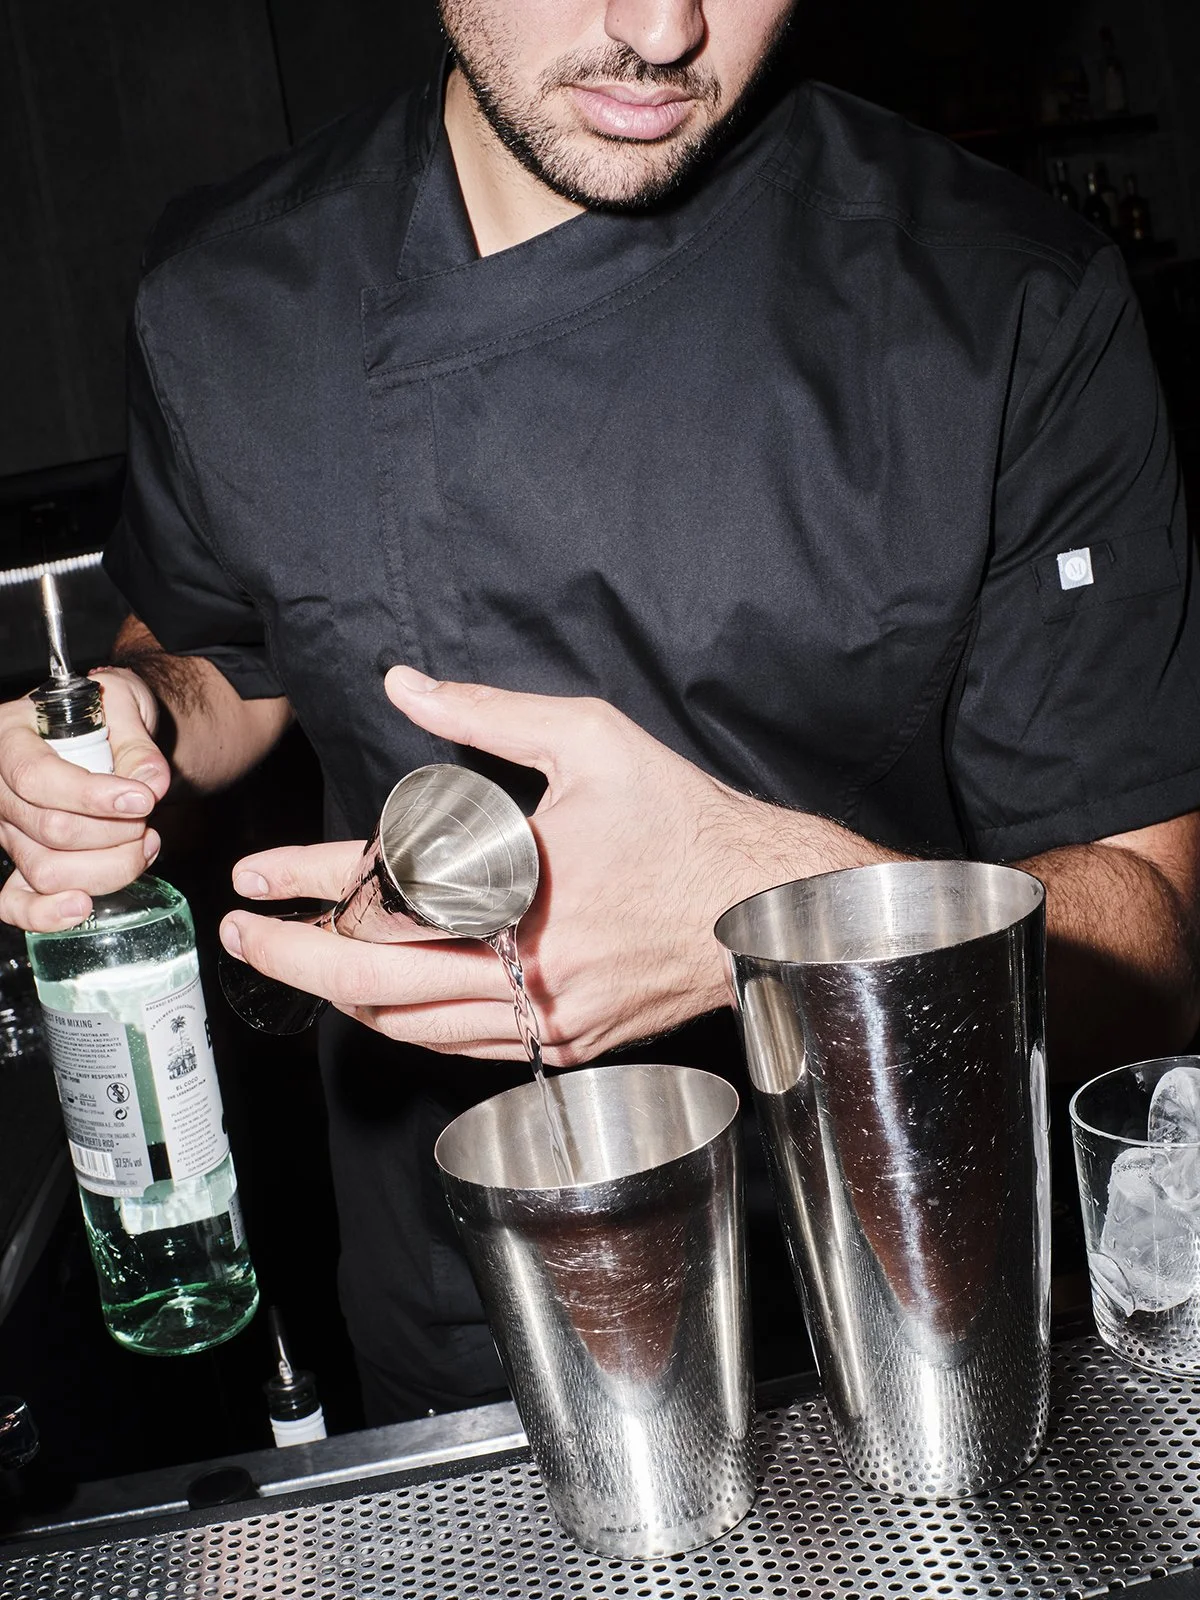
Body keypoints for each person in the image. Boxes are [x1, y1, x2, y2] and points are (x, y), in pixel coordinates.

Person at [3, 0, 1200, 1419]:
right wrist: (131, 723)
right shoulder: (232, 299)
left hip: (906, 1286)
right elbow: (220, 648)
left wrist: (780, 927)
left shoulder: (1002, 296)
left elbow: (1151, 942)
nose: (662, 28)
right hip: (469, 1305)